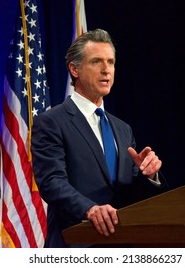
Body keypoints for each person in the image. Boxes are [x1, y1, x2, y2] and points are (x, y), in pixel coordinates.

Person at [31, 28, 168, 248]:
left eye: (111, 62)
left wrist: (149, 176)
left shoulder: (123, 129)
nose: (106, 70)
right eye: (96, 62)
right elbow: (51, 182)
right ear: (74, 69)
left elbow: (130, 195)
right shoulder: (52, 122)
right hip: (75, 246)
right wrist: (90, 209)